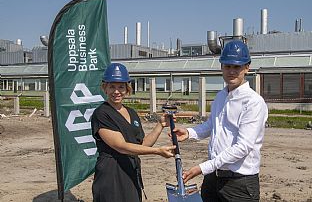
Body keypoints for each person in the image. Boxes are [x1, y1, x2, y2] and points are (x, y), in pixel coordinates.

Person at [173, 40, 268, 202]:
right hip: (213, 178)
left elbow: (243, 147)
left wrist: (203, 168)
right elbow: (212, 125)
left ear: (247, 68)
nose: (231, 71)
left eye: (236, 67)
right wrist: (189, 133)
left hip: (239, 183)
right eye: (227, 66)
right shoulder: (221, 96)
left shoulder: (253, 102)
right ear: (221, 67)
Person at [91, 63, 176, 202]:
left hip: (131, 171)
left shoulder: (132, 113)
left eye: (121, 87)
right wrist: (157, 151)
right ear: (104, 88)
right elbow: (121, 146)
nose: (116, 91)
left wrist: (160, 125)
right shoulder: (102, 113)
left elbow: (142, 144)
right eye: (112, 86)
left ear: (127, 89)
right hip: (111, 172)